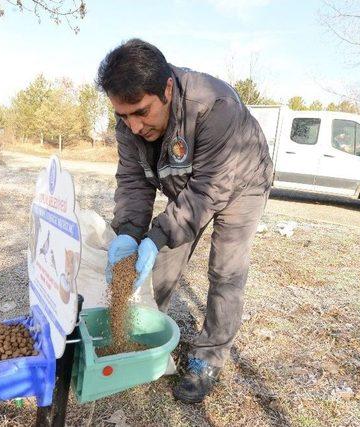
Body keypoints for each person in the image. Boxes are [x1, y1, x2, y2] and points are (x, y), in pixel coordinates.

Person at [96, 39, 273, 403]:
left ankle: (209, 356)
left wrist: (158, 233)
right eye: (123, 115)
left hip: (241, 179)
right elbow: (132, 180)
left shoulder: (214, 106)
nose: (133, 126)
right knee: (160, 259)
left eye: (142, 112)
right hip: (190, 182)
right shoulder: (128, 122)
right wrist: (131, 233)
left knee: (226, 269)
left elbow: (208, 190)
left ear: (168, 88)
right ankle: (139, 335)